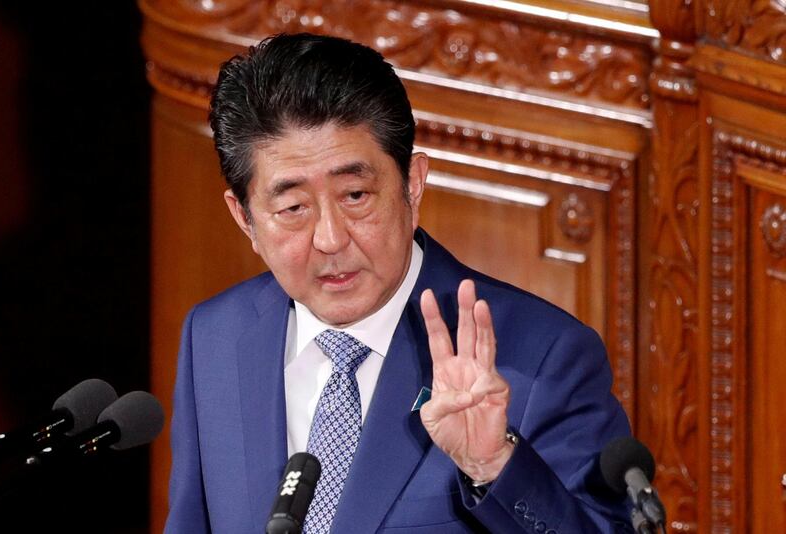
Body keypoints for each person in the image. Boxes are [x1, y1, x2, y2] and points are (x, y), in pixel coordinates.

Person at [165, 32, 632, 534]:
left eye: (356, 195)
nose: (329, 238)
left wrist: (494, 466)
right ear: (245, 219)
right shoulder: (214, 338)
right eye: (292, 208)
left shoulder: (543, 358)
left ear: (412, 184)